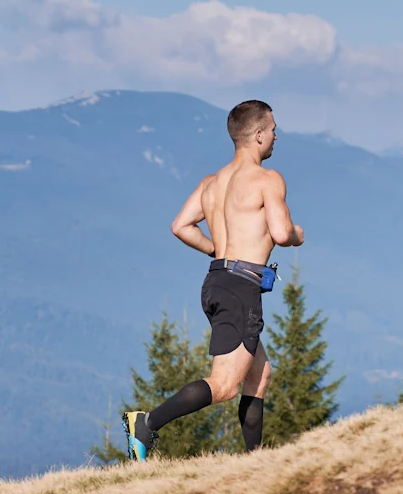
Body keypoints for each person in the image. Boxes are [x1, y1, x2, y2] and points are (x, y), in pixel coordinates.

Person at [123, 100, 303, 460]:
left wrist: (217, 250)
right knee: (224, 385)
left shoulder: (212, 183)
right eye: (272, 130)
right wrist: (298, 234)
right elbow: (282, 233)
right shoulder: (268, 179)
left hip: (217, 282)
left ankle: (256, 461)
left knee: (259, 375)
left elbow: (181, 226)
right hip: (241, 290)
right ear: (258, 135)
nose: (276, 136)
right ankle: (146, 423)